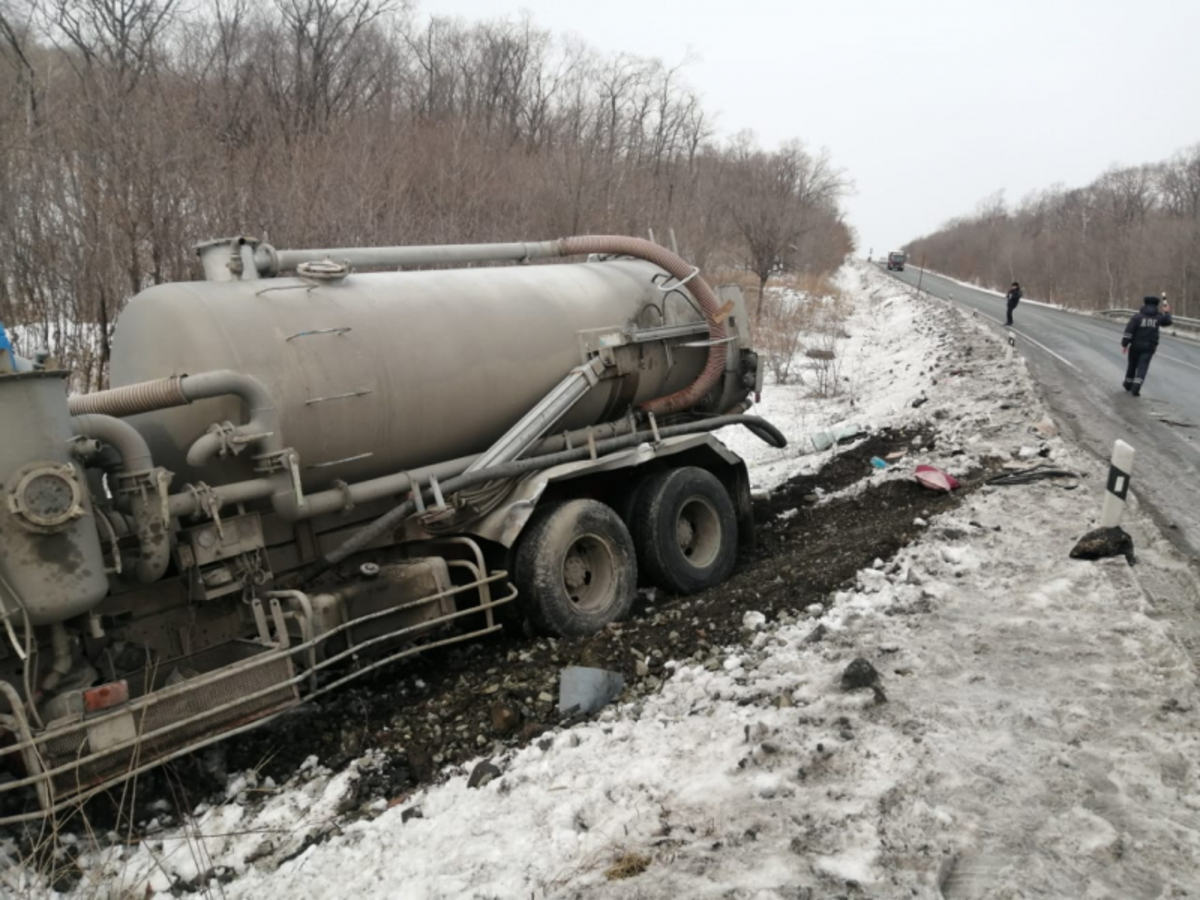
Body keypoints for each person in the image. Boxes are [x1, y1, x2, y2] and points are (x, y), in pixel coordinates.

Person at [1121, 295, 1173, 396]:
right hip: (1149, 346)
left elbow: (1129, 330)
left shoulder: (1137, 317)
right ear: (1156, 305)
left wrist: (1125, 344)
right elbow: (1168, 321)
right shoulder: (1158, 317)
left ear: (1144, 304)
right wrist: (1166, 312)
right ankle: (1136, 386)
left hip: (1135, 345)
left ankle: (1128, 384)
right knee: (1143, 366)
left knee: (1132, 365)